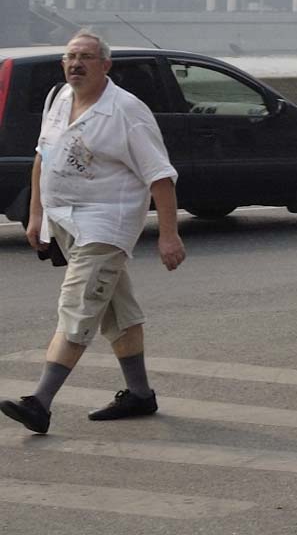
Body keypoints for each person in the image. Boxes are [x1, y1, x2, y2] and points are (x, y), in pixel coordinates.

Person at [1, 30, 185, 435]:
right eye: (70, 56)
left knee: (79, 304)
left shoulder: (126, 111)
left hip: (105, 225)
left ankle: (40, 402)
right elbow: (42, 158)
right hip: (65, 221)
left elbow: (160, 176)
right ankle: (139, 394)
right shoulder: (60, 98)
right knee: (118, 313)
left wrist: (169, 235)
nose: (75, 63)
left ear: (106, 65)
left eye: (85, 56)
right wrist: (36, 216)